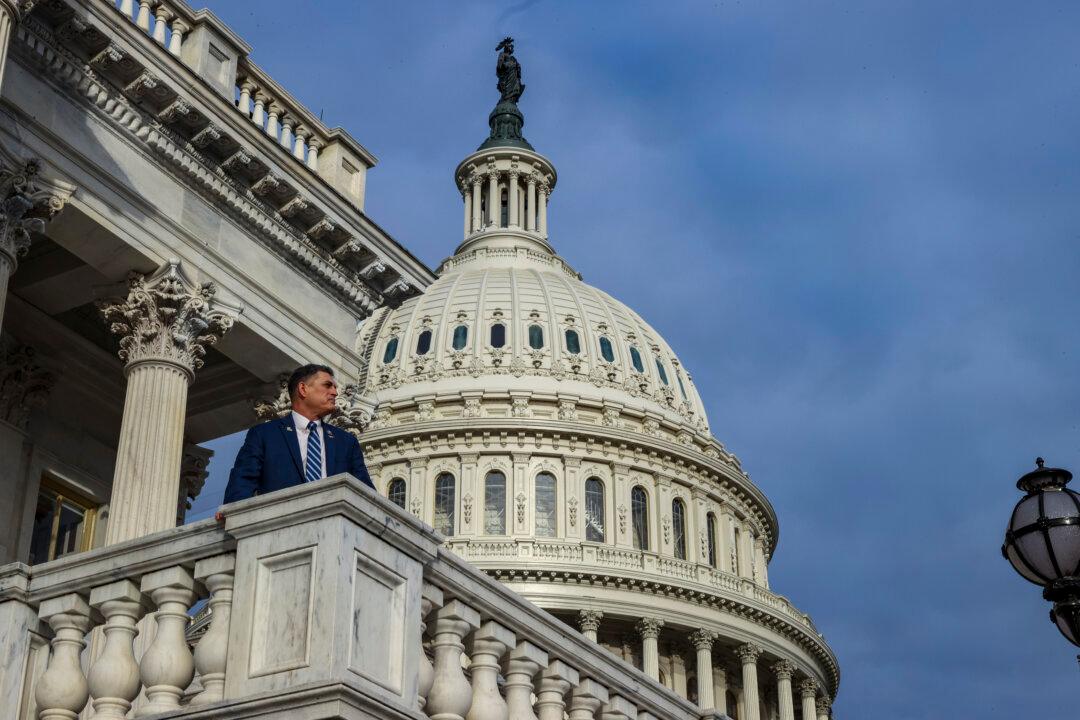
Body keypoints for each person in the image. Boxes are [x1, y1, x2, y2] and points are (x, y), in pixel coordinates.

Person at [218, 364, 373, 516]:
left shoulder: (346, 442)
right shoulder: (265, 434)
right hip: (280, 526)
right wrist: (230, 511)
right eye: (328, 385)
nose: (335, 392)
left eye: (334, 387)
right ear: (303, 389)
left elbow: (365, 492)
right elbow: (244, 480)